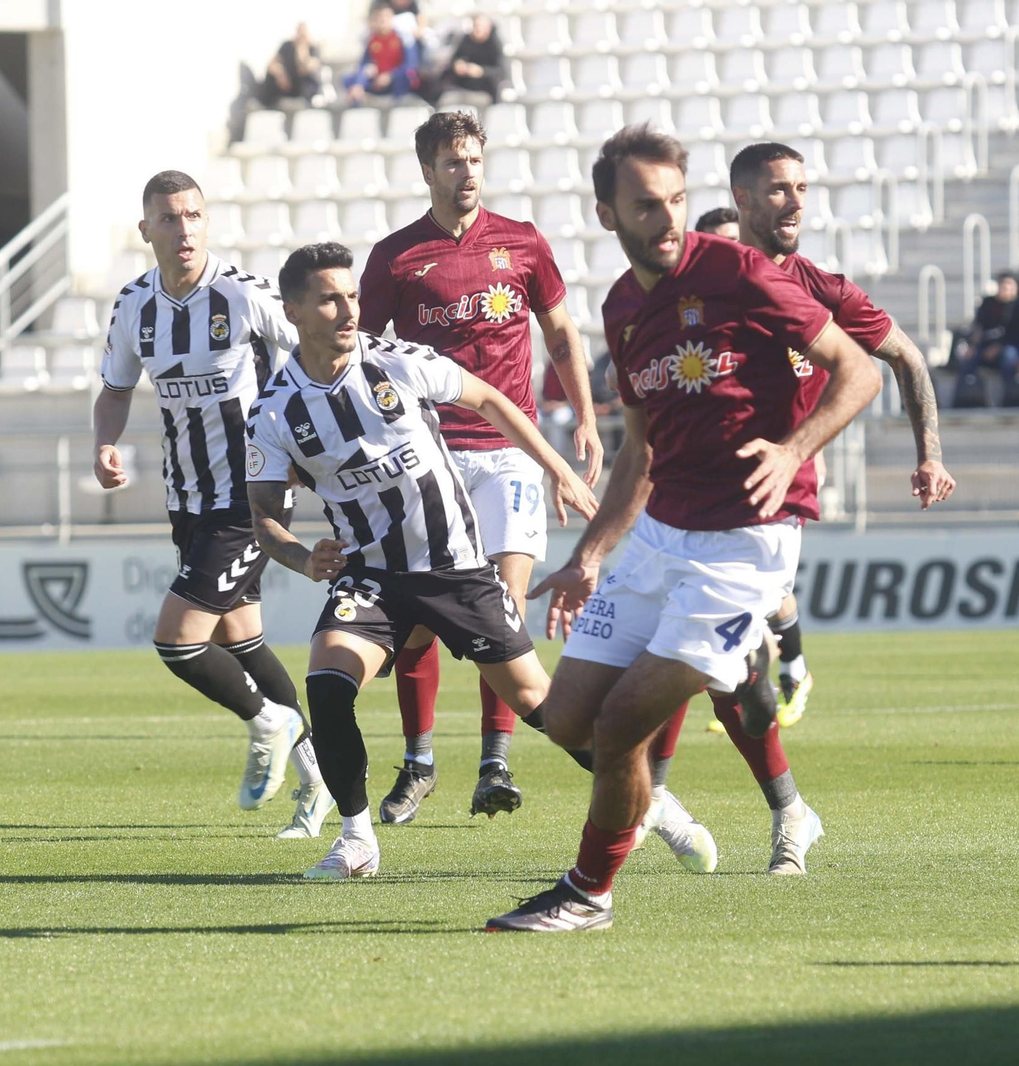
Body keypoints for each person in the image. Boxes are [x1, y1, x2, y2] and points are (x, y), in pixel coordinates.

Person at [485, 125, 883, 932]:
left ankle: (588, 891)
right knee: (566, 718)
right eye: (646, 206)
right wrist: (590, 555)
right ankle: (663, 794)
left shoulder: (739, 272)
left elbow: (860, 368)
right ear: (608, 214)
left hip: (747, 543)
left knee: (625, 720)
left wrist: (795, 446)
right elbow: (640, 449)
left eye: (674, 200)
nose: (668, 219)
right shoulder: (623, 308)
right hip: (661, 538)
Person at [242, 242, 601, 879]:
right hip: (370, 576)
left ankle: (652, 798)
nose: (348, 308)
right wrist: (302, 558)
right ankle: (357, 841)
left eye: (352, 295)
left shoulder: (397, 362)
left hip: (455, 568)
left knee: (539, 703)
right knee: (326, 687)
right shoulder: (274, 411)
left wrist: (559, 471)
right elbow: (264, 518)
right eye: (329, 297)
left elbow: (490, 399)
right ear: (293, 310)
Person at [702, 140, 953, 865]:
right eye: (780, 189)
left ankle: (730, 810)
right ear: (744, 199)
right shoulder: (698, 287)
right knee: (691, 671)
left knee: (702, 663)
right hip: (693, 497)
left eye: (803, 188)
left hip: (773, 503)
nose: (797, 202)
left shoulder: (818, 287)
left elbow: (903, 356)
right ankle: (687, 808)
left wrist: (929, 452)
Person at [359, 111, 606, 824]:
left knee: (500, 603)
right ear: (427, 169)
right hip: (429, 456)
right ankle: (419, 761)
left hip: (507, 454)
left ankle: (495, 761)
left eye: (474, 159)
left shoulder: (522, 244)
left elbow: (561, 333)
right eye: (453, 161)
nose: (467, 171)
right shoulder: (396, 258)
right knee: (416, 619)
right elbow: (368, 362)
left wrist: (584, 415)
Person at [93, 171, 331, 839]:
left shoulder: (245, 296)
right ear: (147, 230)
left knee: (176, 640)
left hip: (250, 497)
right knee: (241, 640)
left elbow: (316, 361)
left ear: (208, 221)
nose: (184, 228)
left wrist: (308, 452)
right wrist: (105, 444)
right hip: (188, 498)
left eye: (194, 214)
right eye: (168, 218)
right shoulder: (134, 307)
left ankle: (270, 723)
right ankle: (319, 785)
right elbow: (114, 389)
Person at [344, 3, 420, 106]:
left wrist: (390, 75)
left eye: (386, 18)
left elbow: (411, 64)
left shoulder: (403, 38)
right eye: (379, 19)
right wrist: (359, 83)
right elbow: (364, 64)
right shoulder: (372, 40)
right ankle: (361, 104)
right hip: (377, 80)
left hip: (396, 79)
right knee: (349, 80)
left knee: (405, 77)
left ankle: (398, 105)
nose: (382, 22)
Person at [959, 273, 1019, 376]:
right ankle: (967, 387)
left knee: (1009, 356)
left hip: (1009, 345)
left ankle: (1010, 389)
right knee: (968, 356)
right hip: (985, 344)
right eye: (1003, 284)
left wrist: (998, 347)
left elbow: (1018, 334)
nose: (1005, 287)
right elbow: (979, 326)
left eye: (1009, 284)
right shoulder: (988, 302)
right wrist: (972, 345)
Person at [435, 14, 505, 103]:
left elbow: (500, 70)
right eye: (476, 26)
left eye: (481, 26)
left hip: (485, 81)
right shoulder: (466, 39)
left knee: (496, 84)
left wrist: (481, 71)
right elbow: (455, 58)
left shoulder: (495, 43)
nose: (478, 29)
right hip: (465, 78)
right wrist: (458, 64)